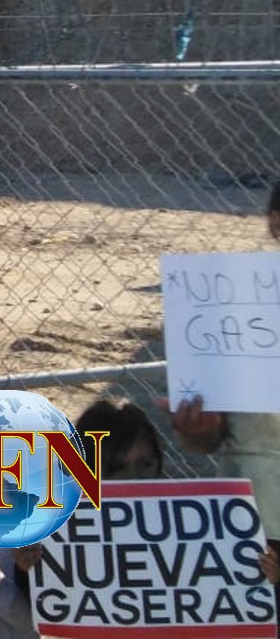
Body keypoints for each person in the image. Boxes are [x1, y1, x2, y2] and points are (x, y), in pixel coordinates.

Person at [166, 177, 280, 611]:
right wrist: (198, 430)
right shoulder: (231, 309)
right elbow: (206, 440)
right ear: (276, 222)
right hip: (259, 528)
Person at [0, 396, 164, 638]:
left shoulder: (184, 521)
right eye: (118, 469)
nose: (135, 480)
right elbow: (39, 618)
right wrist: (28, 572)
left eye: (145, 465)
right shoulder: (51, 526)